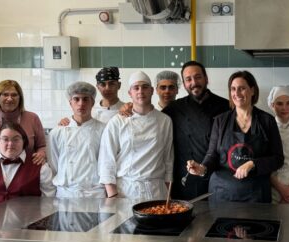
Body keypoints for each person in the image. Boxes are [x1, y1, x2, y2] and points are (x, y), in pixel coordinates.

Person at [186, 71, 284, 203]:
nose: (236, 94)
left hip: (256, 194)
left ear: (252, 90)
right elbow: (212, 154)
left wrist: (253, 163)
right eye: (233, 89)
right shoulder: (220, 121)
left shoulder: (267, 121)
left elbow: (278, 159)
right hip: (222, 193)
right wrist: (202, 168)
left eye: (242, 88)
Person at [98, 71, 173, 202]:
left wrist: (168, 195)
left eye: (144, 87)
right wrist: (113, 196)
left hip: (157, 191)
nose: (140, 91)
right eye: (136, 88)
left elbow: (168, 159)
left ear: (151, 91)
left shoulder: (164, 120)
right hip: (126, 192)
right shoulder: (118, 122)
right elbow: (106, 160)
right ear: (130, 93)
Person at [162, 61, 229, 200]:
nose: (194, 82)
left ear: (206, 79)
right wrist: (129, 108)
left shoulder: (225, 106)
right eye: (188, 79)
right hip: (184, 181)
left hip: (216, 180)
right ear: (184, 84)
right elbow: (151, 118)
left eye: (198, 77)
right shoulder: (174, 108)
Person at [0, 122, 55, 207]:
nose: (10, 144)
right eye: (5, 139)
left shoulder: (41, 167)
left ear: (23, 141)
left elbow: (48, 201)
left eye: (16, 139)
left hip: (29, 220)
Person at [48, 82, 106, 198]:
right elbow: (54, 164)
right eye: (76, 99)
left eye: (85, 99)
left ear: (92, 102)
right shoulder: (58, 131)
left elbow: (106, 162)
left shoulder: (103, 130)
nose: (81, 104)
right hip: (66, 193)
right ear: (70, 103)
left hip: (95, 193)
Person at [0, 80, 46, 165]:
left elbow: (42, 146)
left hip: (28, 168)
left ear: (20, 98)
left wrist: (41, 154)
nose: (10, 99)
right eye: (5, 94)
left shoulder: (33, 118)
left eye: (14, 95)